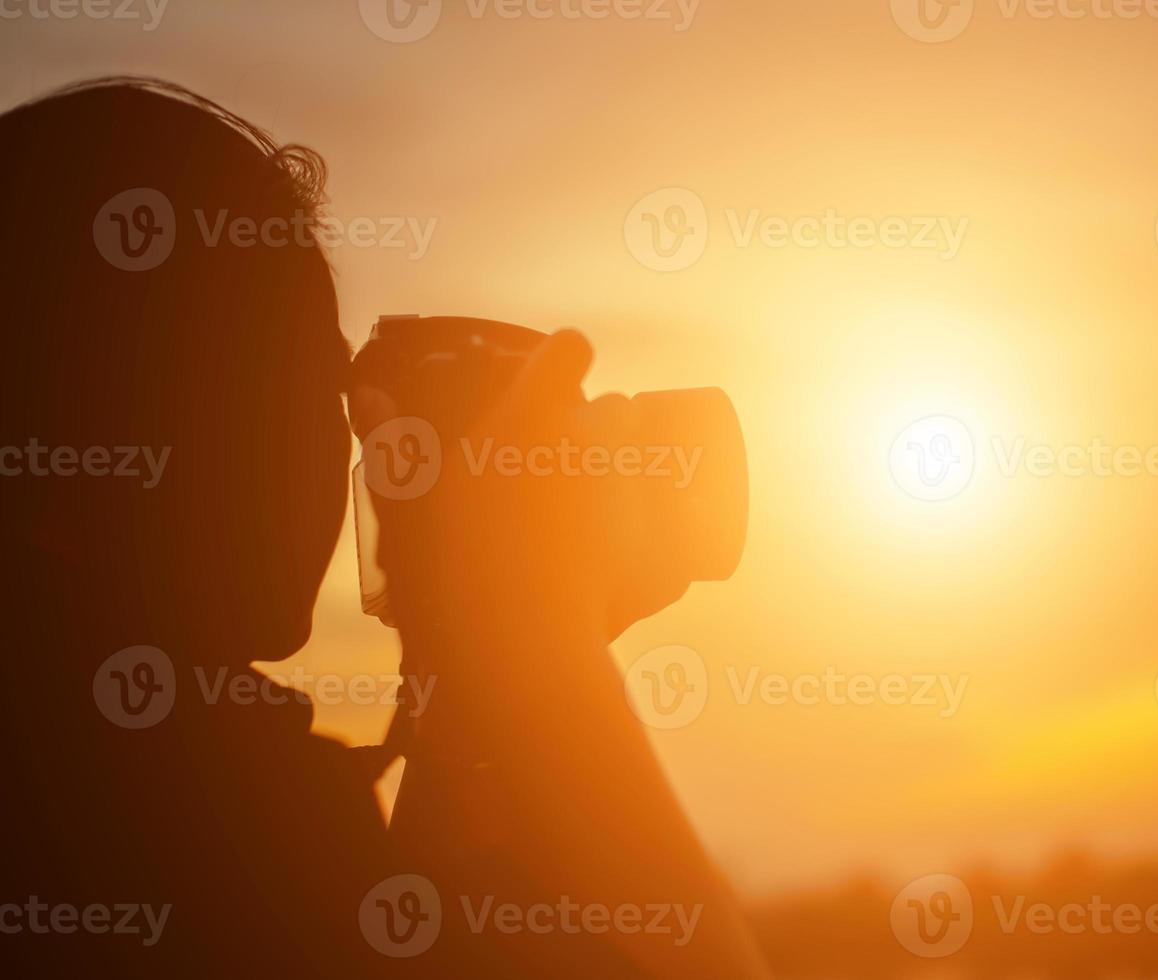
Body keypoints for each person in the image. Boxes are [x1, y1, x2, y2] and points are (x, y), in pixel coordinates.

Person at [0, 77, 768, 978]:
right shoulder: (161, 804)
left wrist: (466, 674)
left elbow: (432, 941)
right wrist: (545, 638)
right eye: (307, 385)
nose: (347, 439)